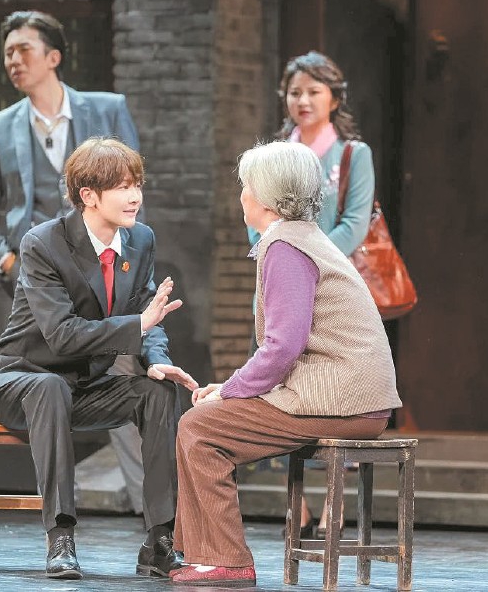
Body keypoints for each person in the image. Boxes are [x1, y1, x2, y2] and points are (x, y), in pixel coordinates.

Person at [170, 141, 401, 587]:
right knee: (202, 421)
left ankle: (225, 559)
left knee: (200, 427)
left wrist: (230, 390)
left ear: (265, 197)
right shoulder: (303, 238)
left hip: (340, 400)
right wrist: (231, 390)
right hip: (349, 396)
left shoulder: (286, 247)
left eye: (245, 186)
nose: (241, 195)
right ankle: (202, 552)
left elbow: (282, 348)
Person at [0, 137, 196, 580]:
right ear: (88, 196)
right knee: (49, 387)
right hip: (20, 378)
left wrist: (154, 358)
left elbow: (148, 310)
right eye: (122, 187)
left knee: (157, 392)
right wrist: (138, 326)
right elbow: (61, 336)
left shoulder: (140, 240)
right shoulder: (44, 243)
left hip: (82, 386)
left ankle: (160, 539)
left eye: (137, 184)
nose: (135, 196)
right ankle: (60, 536)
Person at [0, 10, 147, 523]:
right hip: (39, 282)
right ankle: (59, 521)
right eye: (7, 52)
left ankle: (153, 515)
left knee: (125, 371)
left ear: (53, 57)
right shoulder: (1, 127)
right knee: (43, 380)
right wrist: (6, 259)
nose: (13, 60)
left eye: (23, 49)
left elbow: (131, 188)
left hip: (104, 274)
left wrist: (124, 255)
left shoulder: (106, 110)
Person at [247, 50, 376, 537]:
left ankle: (332, 510)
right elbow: (256, 215)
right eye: (294, 92)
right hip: (280, 281)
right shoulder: (275, 151)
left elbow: (355, 222)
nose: (303, 100)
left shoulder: (351, 154)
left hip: (334, 289)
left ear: (334, 98)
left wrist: (310, 258)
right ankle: (296, 508)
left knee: (337, 394)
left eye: (313, 92)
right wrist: (275, 252)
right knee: (281, 385)